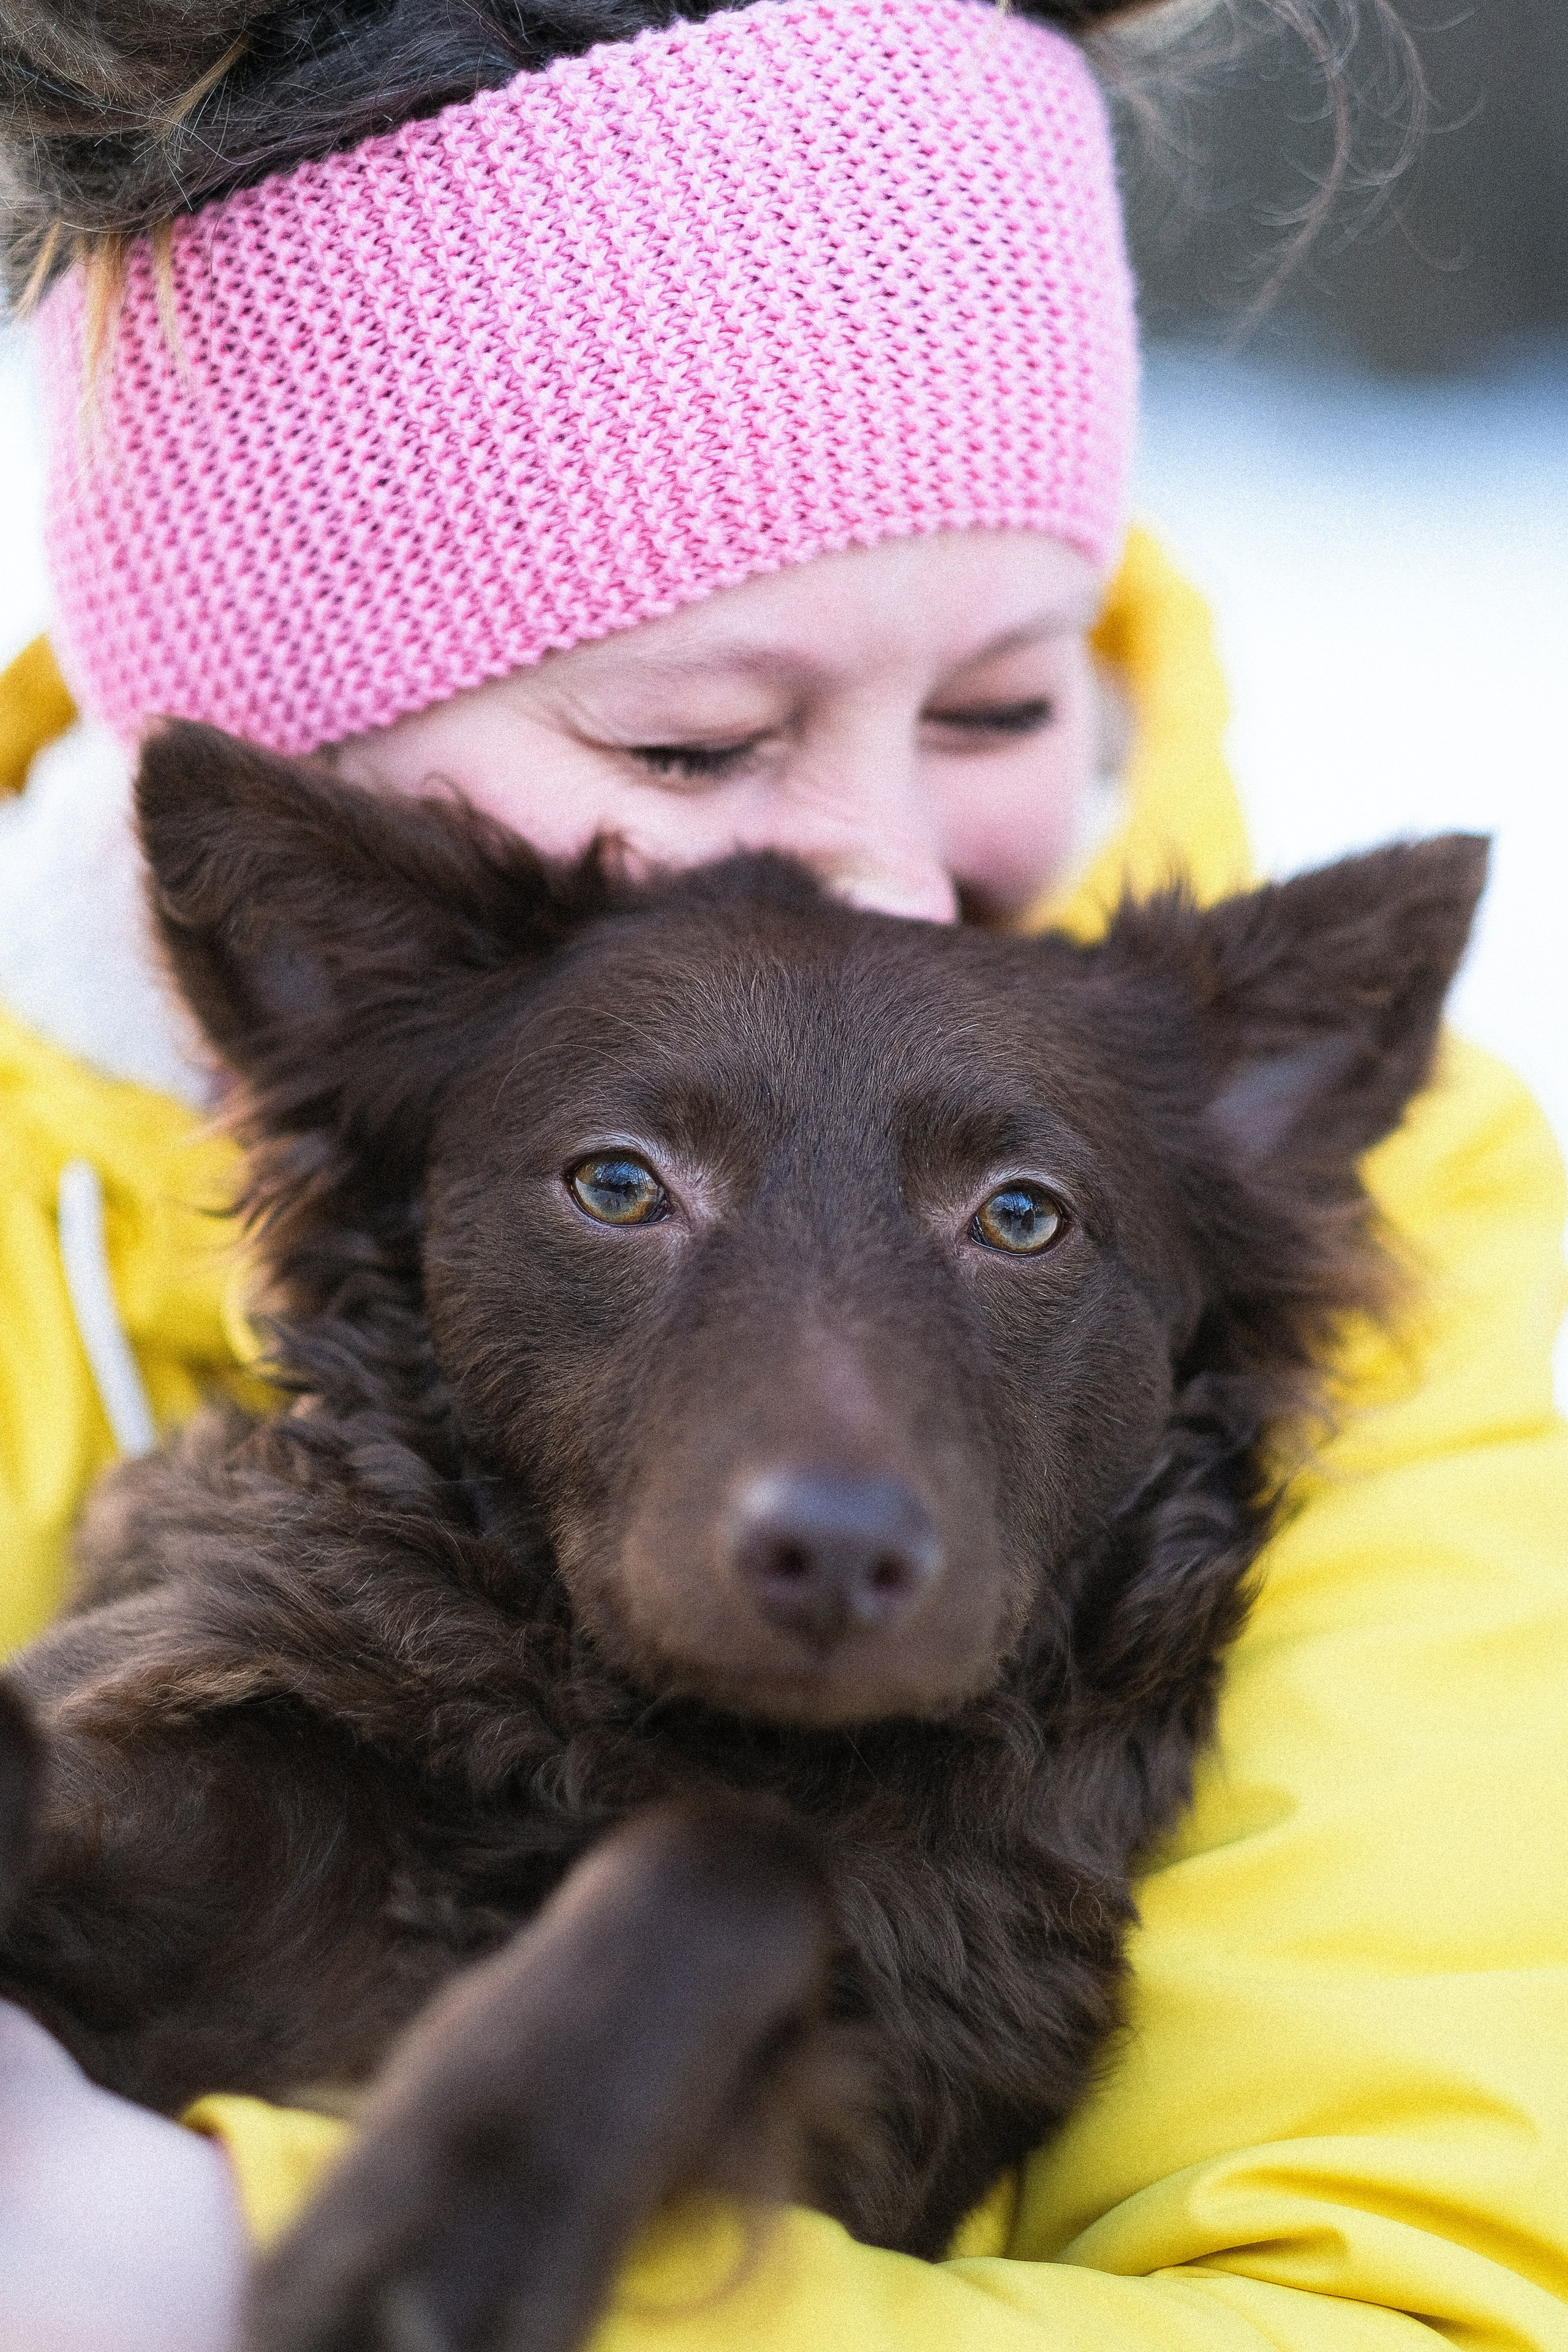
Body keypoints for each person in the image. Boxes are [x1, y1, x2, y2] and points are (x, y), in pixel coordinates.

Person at [0, 1, 1564, 2347]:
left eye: (1001, 705)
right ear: (300, 844)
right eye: (695, 736)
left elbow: (1405, 2296)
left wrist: (191, 2269)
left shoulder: (1403, 1236)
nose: (896, 881)